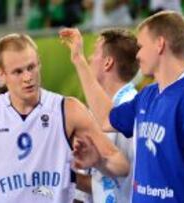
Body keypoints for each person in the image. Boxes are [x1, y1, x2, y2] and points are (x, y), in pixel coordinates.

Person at [60, 11, 184, 203]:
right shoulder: (148, 95)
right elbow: (107, 118)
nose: (137, 55)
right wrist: (78, 59)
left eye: (140, 46)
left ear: (160, 44)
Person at [0, 33, 130, 203]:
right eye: (18, 72)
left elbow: (122, 166)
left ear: (39, 64)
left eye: (31, 67)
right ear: (2, 75)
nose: (28, 77)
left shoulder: (68, 110)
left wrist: (99, 162)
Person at [77, 28, 139, 203]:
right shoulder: (94, 110)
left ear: (107, 63)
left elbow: (128, 178)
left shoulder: (132, 109)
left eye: (94, 53)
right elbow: (102, 181)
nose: (89, 58)